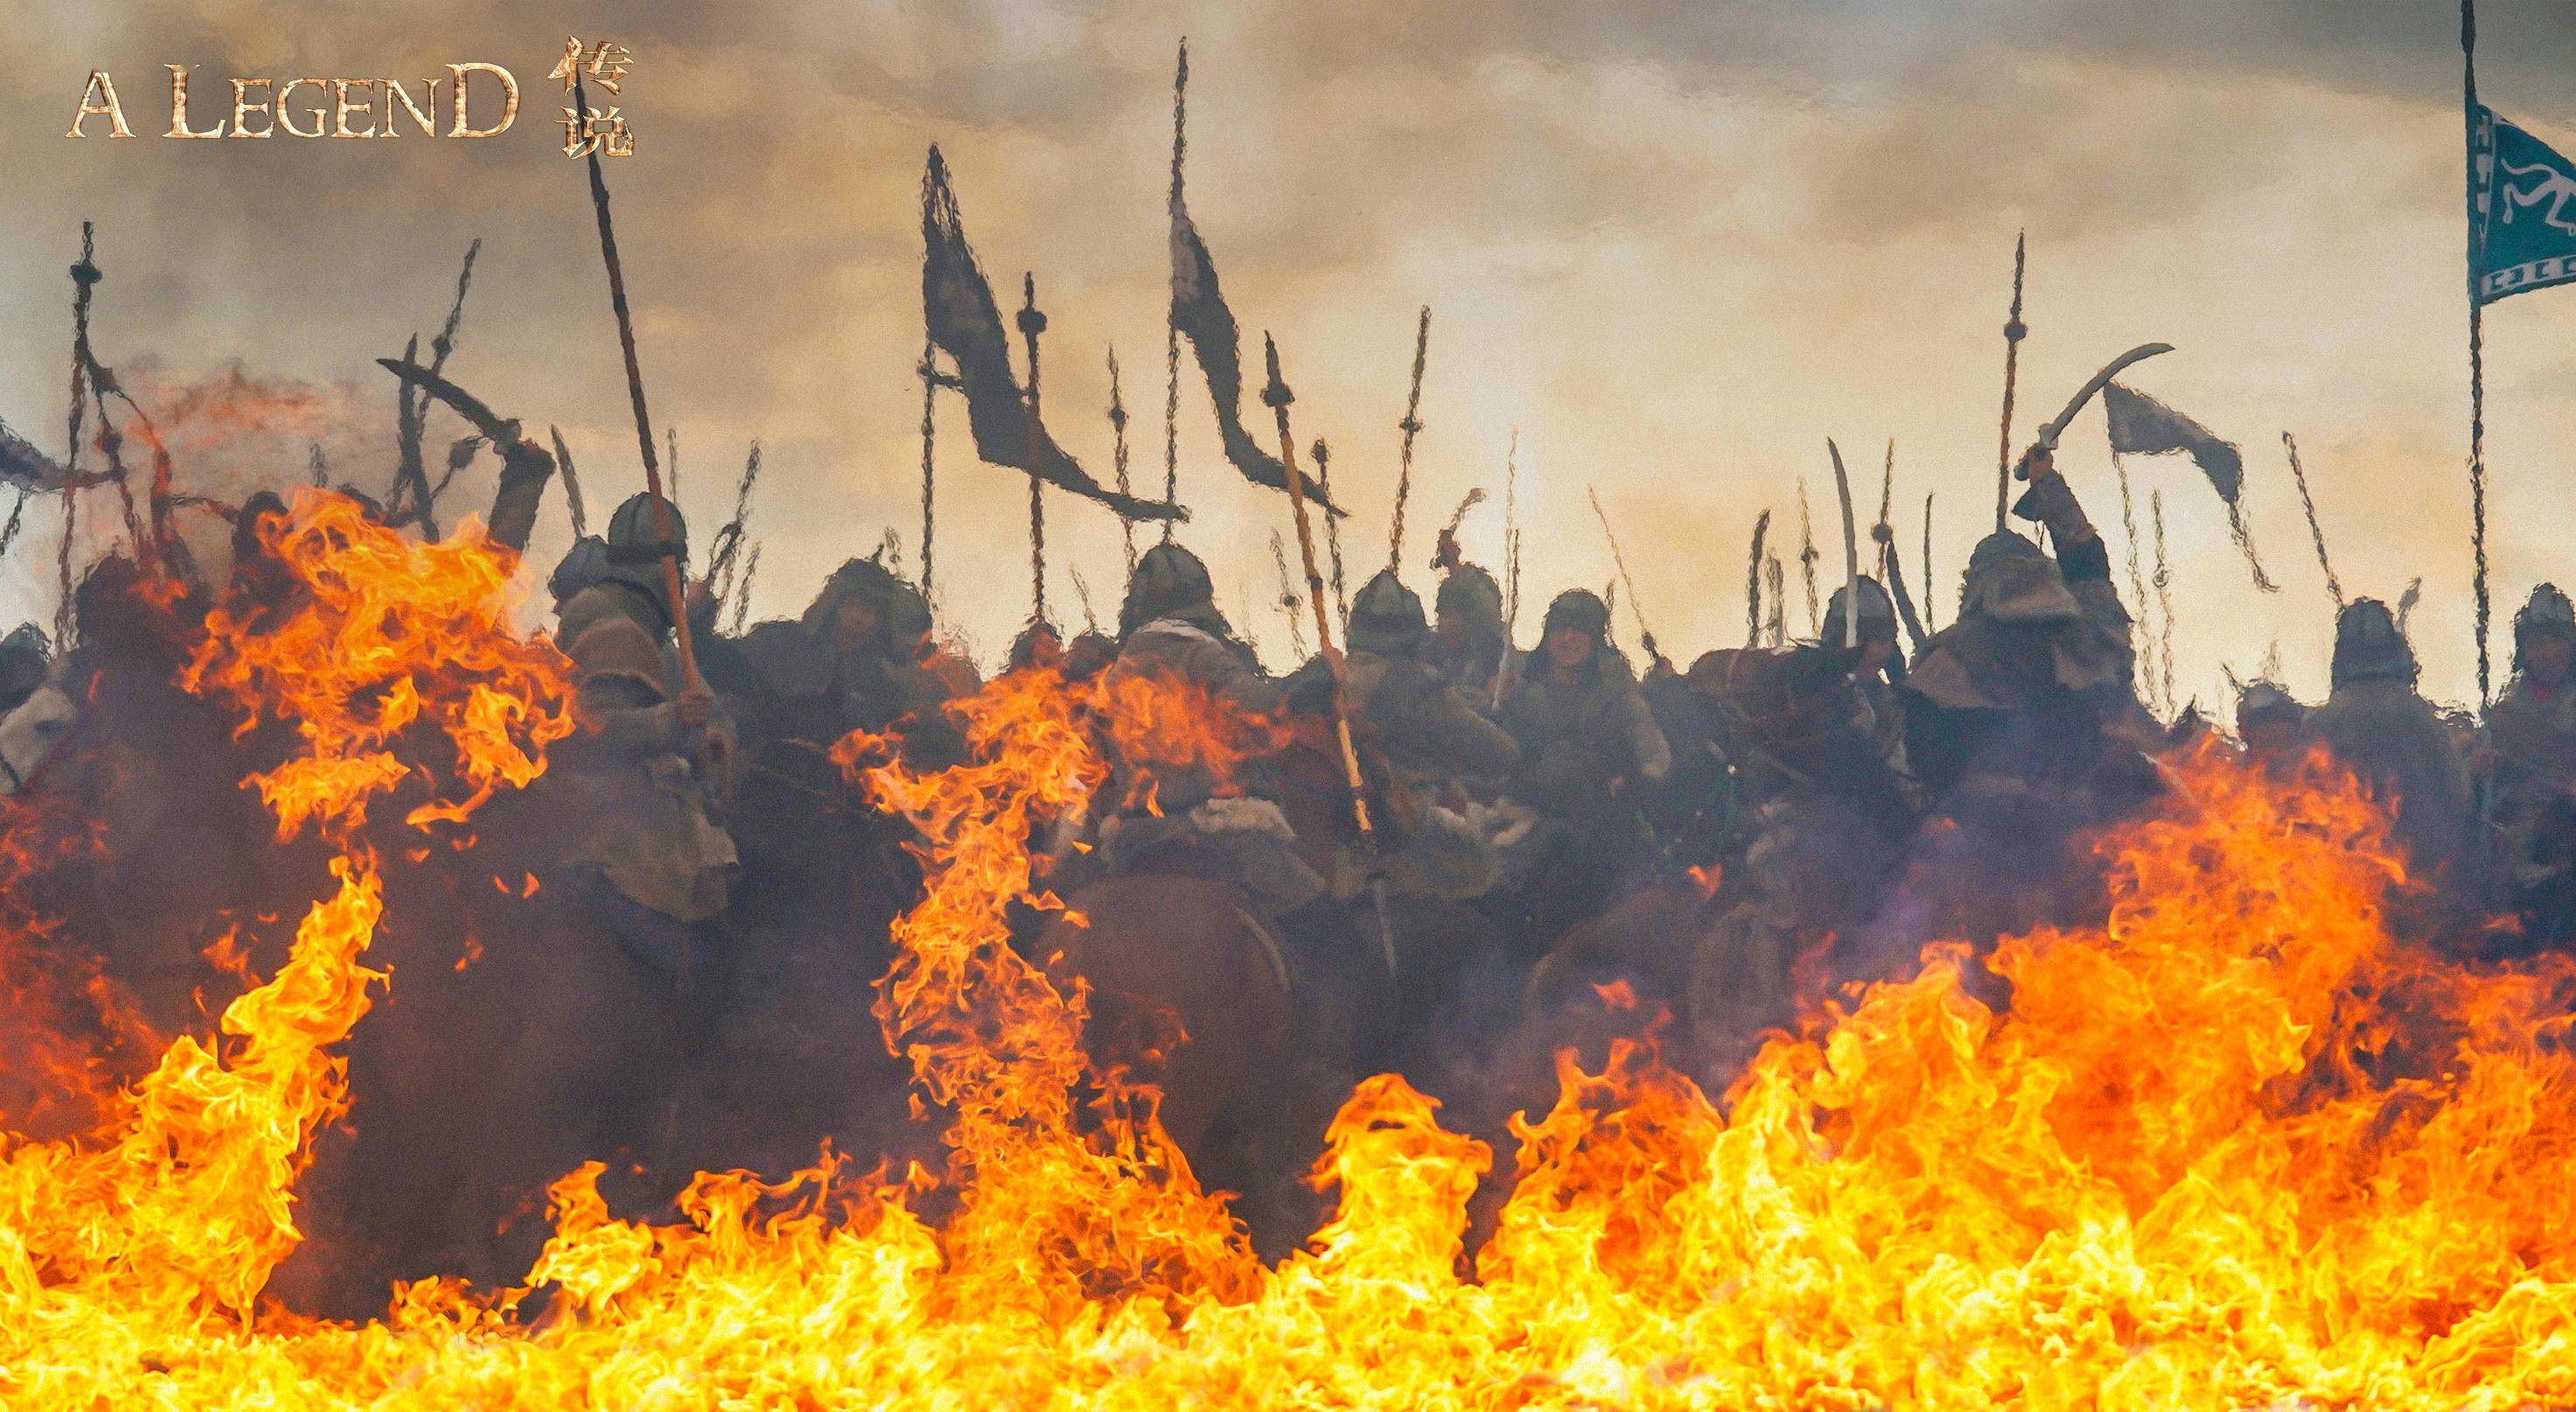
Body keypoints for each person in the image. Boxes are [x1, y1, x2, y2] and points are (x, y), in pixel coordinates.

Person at [1282, 568, 1520, 899]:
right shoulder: (1417, 689)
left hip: (1313, 848)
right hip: (1399, 848)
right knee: (1501, 891)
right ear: (1415, 637)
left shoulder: (1312, 680)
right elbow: (1500, 755)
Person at [1494, 587, 1670, 933]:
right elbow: (1500, 752)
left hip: (1597, 820)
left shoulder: (1616, 694)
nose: (1569, 639)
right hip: (1529, 815)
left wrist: (1640, 779)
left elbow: (1651, 747)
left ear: (1595, 640)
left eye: (1580, 630)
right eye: (1561, 629)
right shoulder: (1524, 691)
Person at [2308, 596, 2473, 881]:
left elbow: (2303, 809)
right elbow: (2460, 796)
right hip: (2422, 874)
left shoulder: (2320, 723)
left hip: (2344, 877)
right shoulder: (2418, 715)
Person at [2483, 585, 2576, 948]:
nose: (2545, 652)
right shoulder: (2510, 707)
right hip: (2518, 844)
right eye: (2536, 643)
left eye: (2554, 641)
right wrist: (2480, 767)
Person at [1427, 526, 1508, 700]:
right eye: (1445, 615)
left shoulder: (1499, 660)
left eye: (1461, 617)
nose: (1450, 624)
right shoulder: (1426, 651)